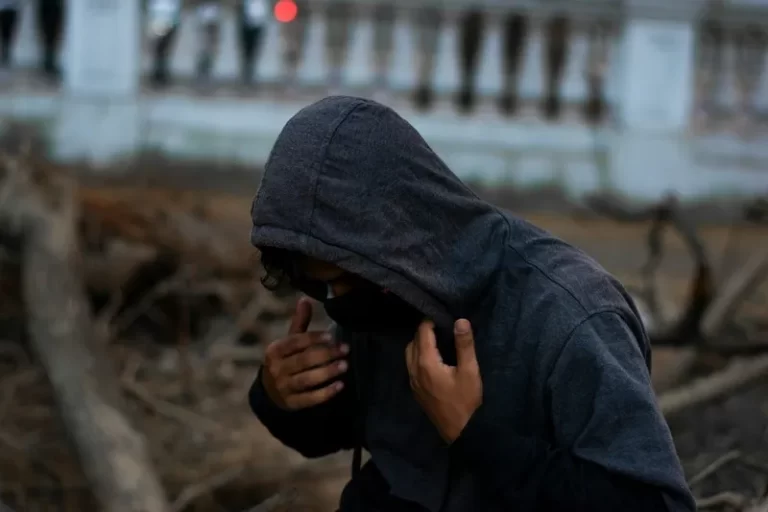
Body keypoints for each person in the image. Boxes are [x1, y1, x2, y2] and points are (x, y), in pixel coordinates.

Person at [248, 96, 695, 512]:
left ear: (391, 243)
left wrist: (474, 435)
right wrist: (283, 396)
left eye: (343, 283)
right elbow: (352, 430)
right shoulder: (381, 292)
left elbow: (652, 503)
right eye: (321, 288)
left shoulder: (571, 315)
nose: (337, 304)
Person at [238, 0, 268, 85]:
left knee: (255, 48)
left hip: (259, 21)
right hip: (246, 21)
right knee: (246, 47)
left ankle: (251, 69)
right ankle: (246, 70)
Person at [37, 0, 64, 79]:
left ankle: (49, 63)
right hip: (48, 7)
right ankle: (48, 63)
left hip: (53, 7)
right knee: (48, 38)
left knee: (51, 38)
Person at [0, 0, 19, 69]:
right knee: (4, 33)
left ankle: (6, 53)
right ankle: (4, 53)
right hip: (3, 9)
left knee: (8, 33)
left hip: (12, 9)